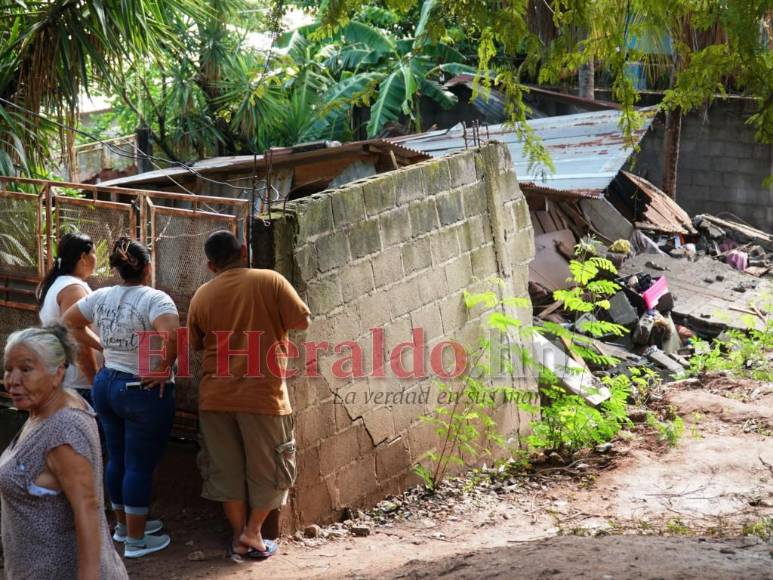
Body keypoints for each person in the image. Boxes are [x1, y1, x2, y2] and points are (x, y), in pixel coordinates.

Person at [187, 230, 310, 559]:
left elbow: (196, 343)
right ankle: (254, 533)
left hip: (214, 399)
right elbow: (302, 321)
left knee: (226, 471)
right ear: (243, 250)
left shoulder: (202, 295)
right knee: (271, 469)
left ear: (210, 266)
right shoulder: (270, 280)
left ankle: (239, 537)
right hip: (263, 396)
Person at [63, 237, 179, 559]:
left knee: (118, 457)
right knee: (139, 465)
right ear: (147, 267)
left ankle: (124, 527)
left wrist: (103, 346)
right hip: (141, 388)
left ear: (116, 270)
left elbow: (70, 321)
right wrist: (163, 367)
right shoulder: (156, 299)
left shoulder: (101, 296)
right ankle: (137, 541)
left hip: (107, 384)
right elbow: (172, 336)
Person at [0, 324, 128, 579]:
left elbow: (88, 507)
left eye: (25, 369)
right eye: (8, 369)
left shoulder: (63, 429)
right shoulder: (46, 410)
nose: (12, 380)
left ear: (57, 374)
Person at [37, 232, 99, 399]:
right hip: (79, 384)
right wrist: (95, 380)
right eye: (94, 253)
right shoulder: (73, 288)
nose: (96, 258)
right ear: (83, 257)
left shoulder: (59, 283)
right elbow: (77, 338)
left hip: (70, 381)